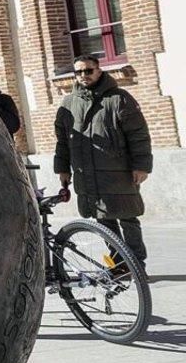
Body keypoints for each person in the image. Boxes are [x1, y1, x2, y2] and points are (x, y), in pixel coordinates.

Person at [54, 55, 153, 279]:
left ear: (99, 71)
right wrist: (62, 169)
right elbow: (62, 141)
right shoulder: (68, 103)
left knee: (128, 219)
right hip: (86, 175)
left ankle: (137, 265)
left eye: (88, 71)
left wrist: (142, 166)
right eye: (78, 72)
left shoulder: (119, 98)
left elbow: (139, 136)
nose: (83, 76)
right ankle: (118, 265)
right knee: (103, 221)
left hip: (119, 172)